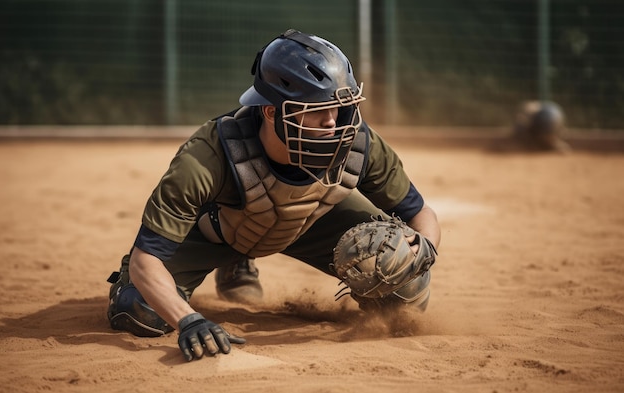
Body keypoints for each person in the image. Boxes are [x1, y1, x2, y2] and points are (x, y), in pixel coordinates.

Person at [106, 29, 441, 361]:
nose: (331, 122)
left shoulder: (358, 143)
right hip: (220, 228)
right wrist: (187, 319)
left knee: (404, 288)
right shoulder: (207, 157)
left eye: (340, 107)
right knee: (139, 311)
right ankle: (237, 258)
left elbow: (421, 214)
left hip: (311, 221)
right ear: (271, 112)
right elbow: (145, 260)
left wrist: (424, 250)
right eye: (315, 109)